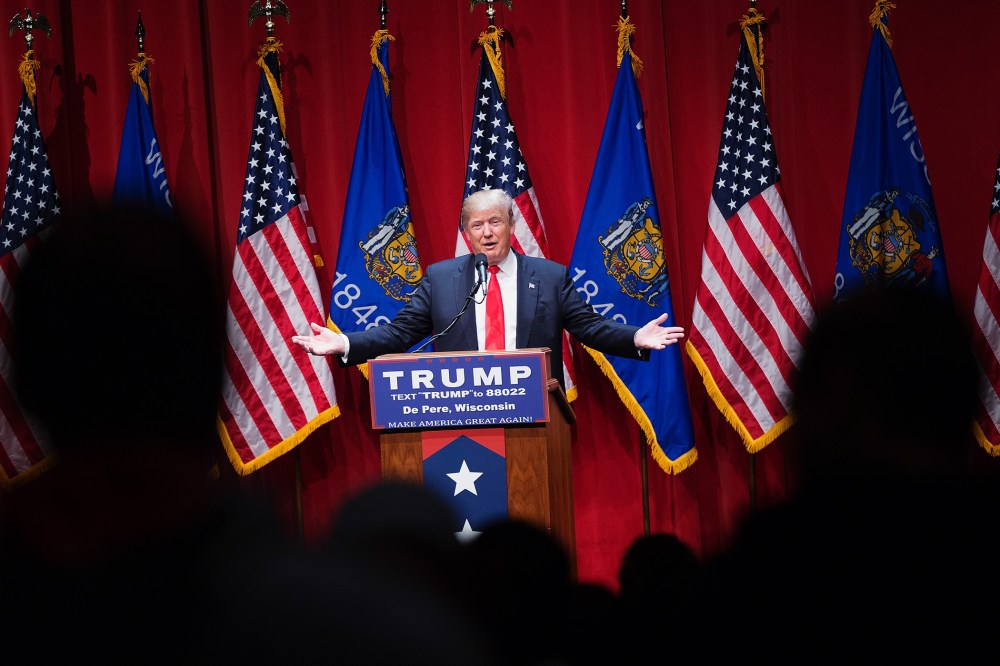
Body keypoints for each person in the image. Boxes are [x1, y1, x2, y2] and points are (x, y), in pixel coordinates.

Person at [291, 189, 684, 384]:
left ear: (512, 226)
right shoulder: (440, 279)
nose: (487, 232)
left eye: (495, 222)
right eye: (477, 225)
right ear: (466, 234)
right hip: (464, 413)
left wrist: (635, 337)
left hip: (537, 414)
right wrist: (344, 344)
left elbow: (591, 328)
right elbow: (399, 333)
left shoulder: (549, 277)